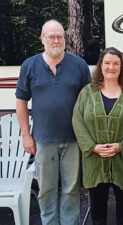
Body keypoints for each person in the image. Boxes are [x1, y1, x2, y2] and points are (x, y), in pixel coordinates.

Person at [15, 20, 90, 225]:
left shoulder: (79, 65)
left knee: (71, 190)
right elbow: (21, 101)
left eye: (60, 36)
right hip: (43, 140)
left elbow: (90, 102)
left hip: (74, 139)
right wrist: (25, 135)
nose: (56, 40)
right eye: (52, 37)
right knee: (46, 190)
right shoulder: (29, 65)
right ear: (42, 39)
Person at [72, 47, 123, 225]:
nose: (111, 67)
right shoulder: (87, 92)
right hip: (95, 160)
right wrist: (92, 147)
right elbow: (77, 121)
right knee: (97, 211)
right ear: (101, 65)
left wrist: (122, 146)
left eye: (116, 63)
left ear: (121, 67)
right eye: (107, 63)